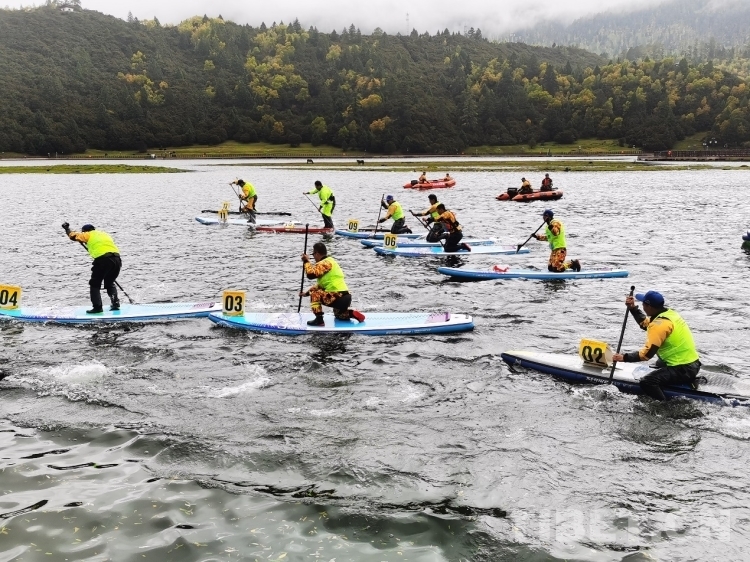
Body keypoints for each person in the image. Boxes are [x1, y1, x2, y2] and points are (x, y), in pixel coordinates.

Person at [612, 291, 701, 402]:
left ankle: (663, 405)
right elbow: (646, 324)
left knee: (647, 382)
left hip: (683, 369)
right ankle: (685, 378)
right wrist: (633, 308)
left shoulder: (659, 325)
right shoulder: (669, 314)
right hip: (693, 363)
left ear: (649, 306)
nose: (642, 305)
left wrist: (624, 357)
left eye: (643, 303)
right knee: (658, 363)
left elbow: (647, 354)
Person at [299, 242, 366, 326]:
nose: (313, 258)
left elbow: (310, 274)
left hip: (337, 296)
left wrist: (306, 261)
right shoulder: (332, 261)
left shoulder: (325, 263)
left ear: (317, 254)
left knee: (315, 294)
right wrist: (306, 294)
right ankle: (352, 313)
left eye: (313, 254)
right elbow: (319, 286)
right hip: (346, 296)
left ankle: (319, 320)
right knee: (339, 315)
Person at [62, 222, 121, 314]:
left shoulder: (88, 234)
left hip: (103, 260)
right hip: (117, 259)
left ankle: (97, 307)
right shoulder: (104, 234)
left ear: (85, 231)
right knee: (110, 282)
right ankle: (115, 304)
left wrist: (67, 229)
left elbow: (73, 236)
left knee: (95, 284)